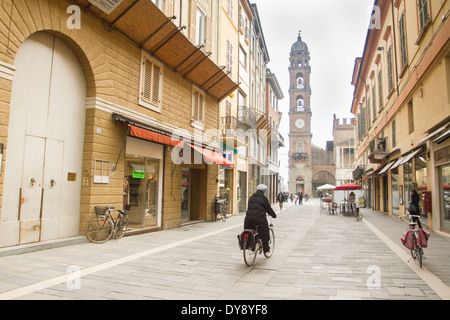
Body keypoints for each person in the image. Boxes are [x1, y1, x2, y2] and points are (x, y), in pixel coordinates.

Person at [244, 185, 277, 254]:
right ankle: (266, 249)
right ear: (264, 191)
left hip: (249, 218)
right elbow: (268, 209)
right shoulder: (264, 198)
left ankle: (252, 243)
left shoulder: (251, 197)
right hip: (260, 219)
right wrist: (274, 215)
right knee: (265, 232)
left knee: (249, 231)